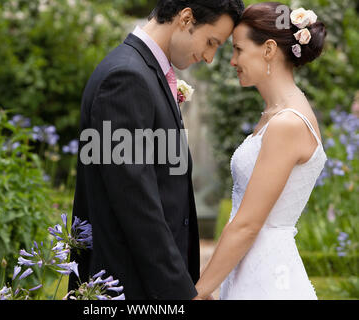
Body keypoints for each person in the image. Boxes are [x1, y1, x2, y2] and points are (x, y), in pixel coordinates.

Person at [70, 0, 244, 299]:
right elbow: (136, 204)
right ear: (186, 18)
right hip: (128, 285)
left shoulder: (145, 72)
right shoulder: (126, 78)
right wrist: (181, 292)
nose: (210, 57)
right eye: (211, 42)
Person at [194, 2, 327, 299]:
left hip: (267, 280)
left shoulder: (287, 124)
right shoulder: (276, 115)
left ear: (268, 49)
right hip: (250, 268)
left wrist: (197, 292)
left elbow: (247, 224)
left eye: (238, 49)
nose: (232, 61)